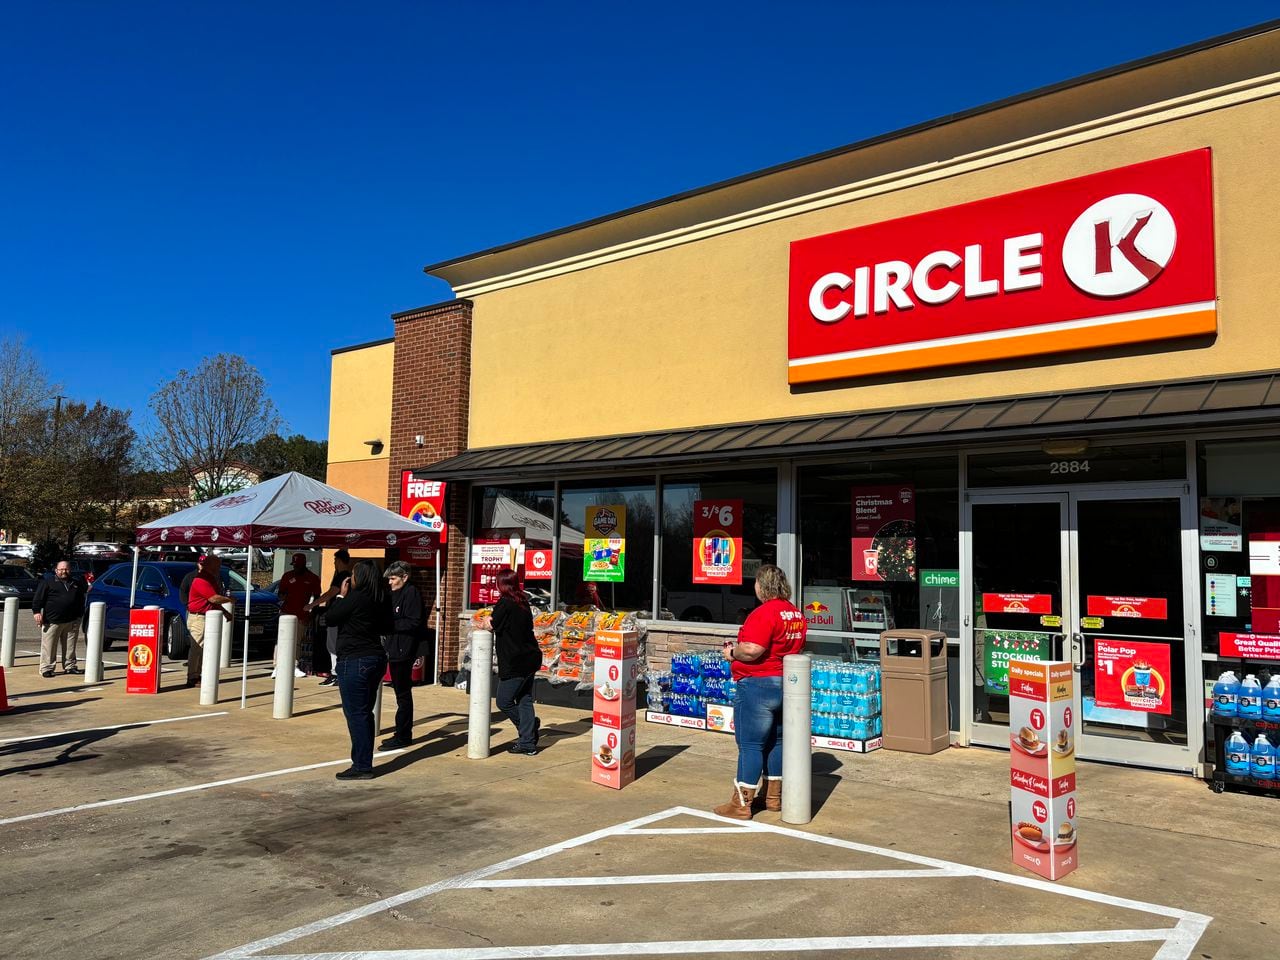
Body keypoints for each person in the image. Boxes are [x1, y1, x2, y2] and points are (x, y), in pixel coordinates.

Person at [714, 564, 807, 820]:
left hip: (757, 684)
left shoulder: (763, 613)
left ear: (762, 586)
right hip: (785, 685)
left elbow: (753, 650)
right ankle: (773, 797)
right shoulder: (795, 614)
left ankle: (741, 804)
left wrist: (731, 653)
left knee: (750, 745)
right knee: (776, 741)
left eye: (755, 582)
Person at [323, 559, 390, 780]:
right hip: (375, 658)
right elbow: (387, 626)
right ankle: (363, 762)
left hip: (355, 660)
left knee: (356, 714)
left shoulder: (356, 597)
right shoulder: (381, 598)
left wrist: (341, 595)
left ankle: (362, 766)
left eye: (352, 574)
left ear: (358, 577)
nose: (350, 578)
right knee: (364, 713)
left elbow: (330, 618)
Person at [487, 567, 542, 756]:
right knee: (525, 699)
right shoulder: (522, 602)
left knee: (504, 701)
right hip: (530, 658)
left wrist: (482, 621)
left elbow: (491, 624)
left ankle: (529, 730)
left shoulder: (505, 603)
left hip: (515, 662)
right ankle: (528, 742)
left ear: (501, 584)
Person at [380, 561, 426, 749]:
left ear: (404, 577)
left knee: (403, 694)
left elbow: (414, 621)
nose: (390, 582)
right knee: (400, 693)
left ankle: (403, 734)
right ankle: (401, 732)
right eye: (389, 579)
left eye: (393, 578)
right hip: (393, 647)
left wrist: (390, 625)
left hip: (404, 649)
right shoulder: (392, 594)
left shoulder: (411, 593)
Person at [32, 560, 88, 677]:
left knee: (70, 646)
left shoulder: (75, 583)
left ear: (70, 570)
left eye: (66, 569)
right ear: (56, 570)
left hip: (72, 620)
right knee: (49, 646)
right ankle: (47, 668)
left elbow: (82, 598)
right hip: (52, 621)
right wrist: (37, 612)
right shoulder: (47, 582)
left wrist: (79, 615)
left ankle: (70, 666)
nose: (64, 571)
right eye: (61, 569)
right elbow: (38, 599)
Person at [306, 548, 354, 685]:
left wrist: (312, 605)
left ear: (339, 560)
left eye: (334, 560)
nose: (333, 563)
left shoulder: (341, 576)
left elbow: (330, 593)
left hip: (337, 615)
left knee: (332, 645)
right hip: (342, 615)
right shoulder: (348, 575)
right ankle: (337, 672)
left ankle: (335, 673)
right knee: (334, 644)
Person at [186, 554, 235, 688]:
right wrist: (229, 600)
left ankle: (198, 674)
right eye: (217, 565)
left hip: (208, 616)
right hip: (198, 617)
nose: (219, 568)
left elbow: (211, 601)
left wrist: (225, 612)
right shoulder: (201, 579)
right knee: (197, 648)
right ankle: (192, 677)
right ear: (210, 565)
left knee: (204, 648)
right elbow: (213, 598)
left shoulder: (211, 578)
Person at [273, 553, 320, 679]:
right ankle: (277, 666)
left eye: (298, 565)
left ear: (303, 564)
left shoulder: (312, 578)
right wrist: (283, 596)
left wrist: (312, 614)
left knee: (297, 641)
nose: (295, 568)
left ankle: (294, 665)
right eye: (294, 565)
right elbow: (281, 594)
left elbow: (317, 597)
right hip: (286, 612)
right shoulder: (287, 576)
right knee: (281, 640)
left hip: (302, 614)